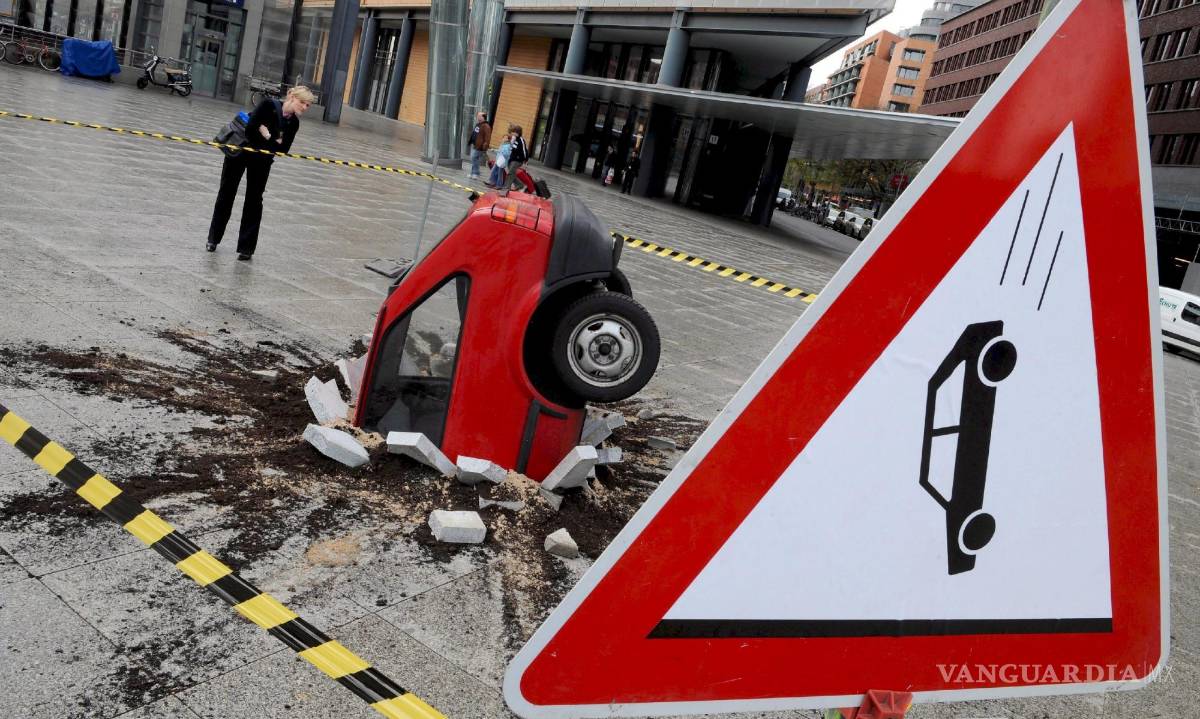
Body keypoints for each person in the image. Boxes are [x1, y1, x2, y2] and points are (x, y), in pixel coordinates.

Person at [207, 85, 315, 260]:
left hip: (262, 162)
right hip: (239, 153)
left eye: (308, 105)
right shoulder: (267, 105)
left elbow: (283, 149)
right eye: (302, 102)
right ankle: (213, 239)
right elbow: (251, 131)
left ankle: (246, 248)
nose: (304, 107)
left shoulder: (293, 123)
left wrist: (266, 134)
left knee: (255, 200)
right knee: (227, 193)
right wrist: (273, 139)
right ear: (292, 98)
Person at [466, 111, 491, 180]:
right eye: (478, 116)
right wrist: (470, 141)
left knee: (474, 158)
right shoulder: (478, 124)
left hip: (480, 146)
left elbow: (487, 137)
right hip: (475, 145)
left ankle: (475, 173)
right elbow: (474, 133)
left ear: (483, 117)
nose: (478, 117)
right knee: (474, 159)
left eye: (479, 116)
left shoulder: (486, 126)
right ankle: (473, 173)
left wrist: (485, 146)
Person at [505, 125, 528, 190]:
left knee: (510, 173)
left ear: (517, 132)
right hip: (512, 158)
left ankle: (506, 187)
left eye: (513, 132)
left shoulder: (521, 140)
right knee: (511, 173)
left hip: (518, 160)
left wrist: (525, 160)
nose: (511, 133)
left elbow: (524, 150)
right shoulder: (513, 138)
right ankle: (520, 184)